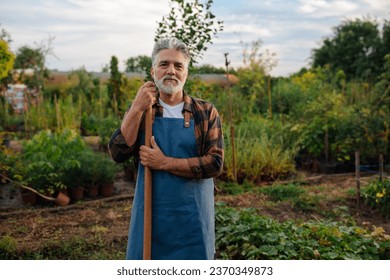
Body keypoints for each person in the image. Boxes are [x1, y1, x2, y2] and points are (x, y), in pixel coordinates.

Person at [108, 37, 224, 260]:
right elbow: (117, 153)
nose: (171, 71)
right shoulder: (145, 112)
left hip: (194, 218)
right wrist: (136, 108)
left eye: (178, 65)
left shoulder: (205, 111)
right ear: (153, 72)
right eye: (164, 64)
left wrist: (164, 163)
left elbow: (215, 164)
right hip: (152, 216)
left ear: (186, 73)